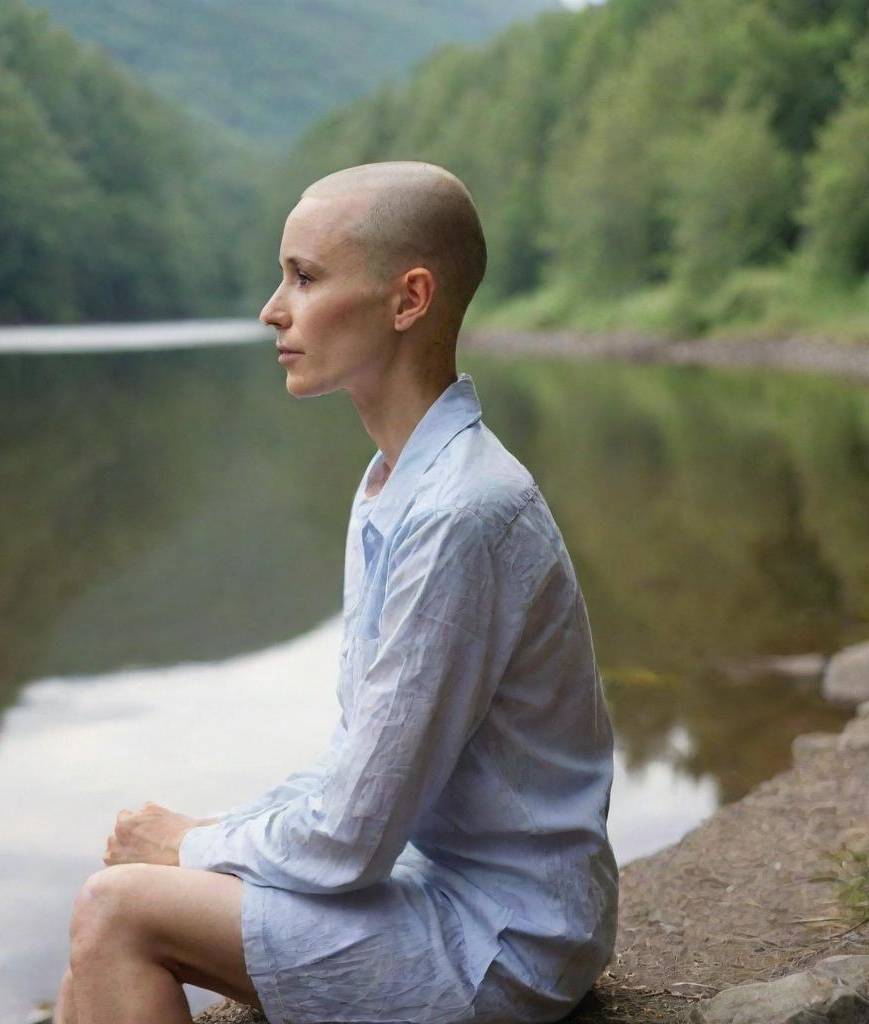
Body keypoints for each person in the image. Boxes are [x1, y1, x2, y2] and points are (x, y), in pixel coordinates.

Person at [53, 161, 618, 1024]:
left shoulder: (464, 511)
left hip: (508, 939)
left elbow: (352, 839)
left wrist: (191, 845)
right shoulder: (394, 483)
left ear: (408, 300)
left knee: (115, 909)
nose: (272, 310)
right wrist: (207, 840)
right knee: (124, 901)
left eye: (305, 278)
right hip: (446, 890)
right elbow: (359, 759)